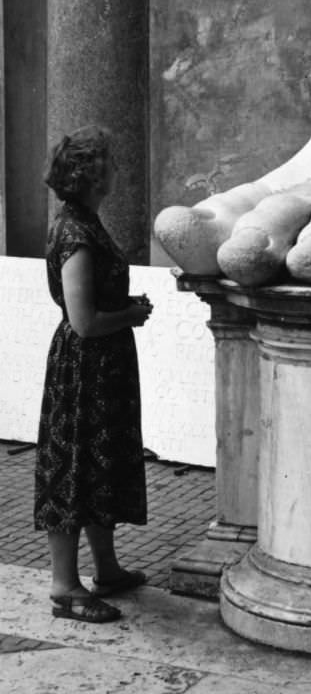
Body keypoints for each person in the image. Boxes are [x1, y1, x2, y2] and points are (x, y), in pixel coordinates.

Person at [34, 124, 154, 623]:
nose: (115, 167)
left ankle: (106, 568)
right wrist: (132, 314)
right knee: (74, 471)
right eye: (107, 160)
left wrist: (124, 309)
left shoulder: (84, 222)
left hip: (101, 371)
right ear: (89, 174)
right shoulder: (77, 233)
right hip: (84, 371)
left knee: (97, 469)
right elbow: (83, 322)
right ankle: (65, 587)